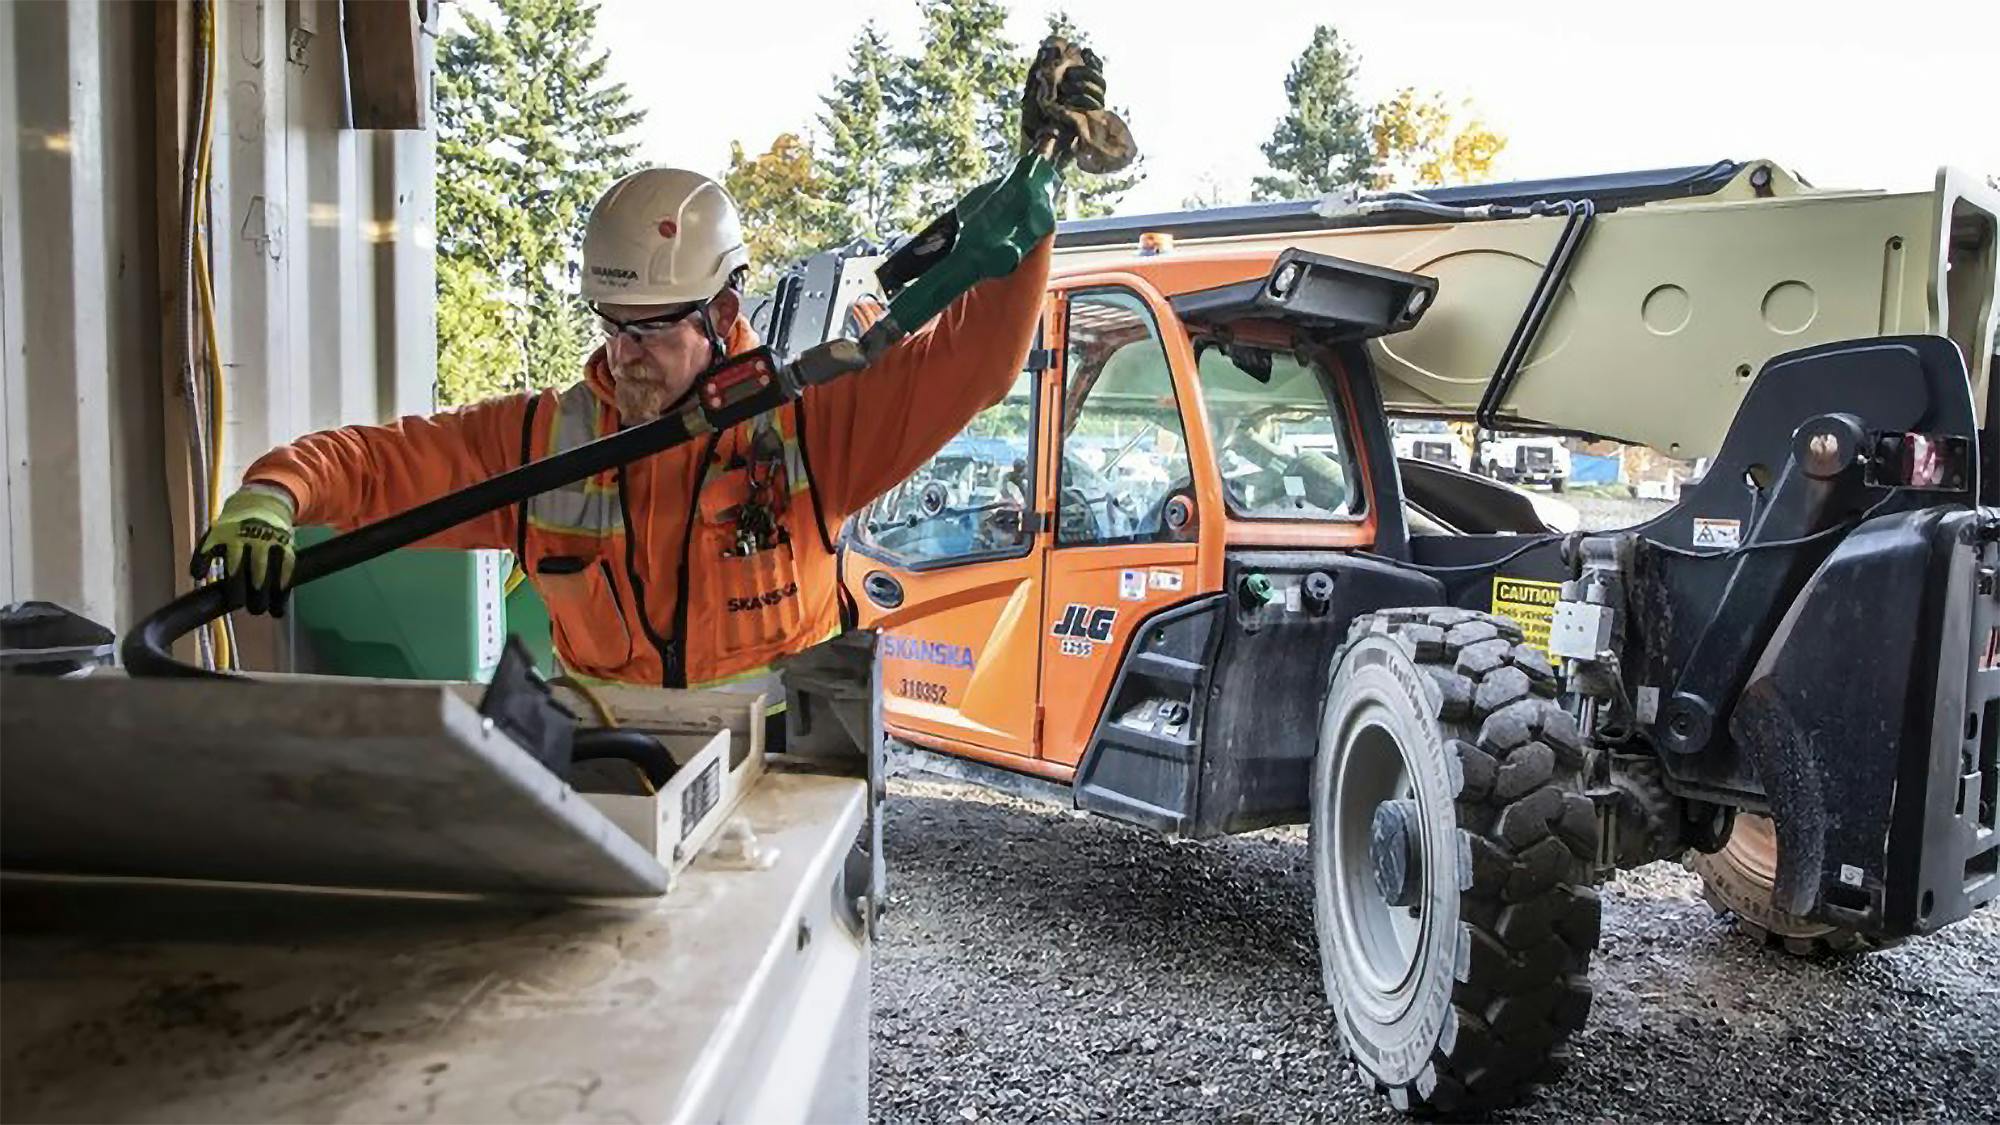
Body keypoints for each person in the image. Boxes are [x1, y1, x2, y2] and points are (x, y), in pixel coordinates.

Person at [191, 57, 1107, 690]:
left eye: (652, 331)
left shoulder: (810, 427)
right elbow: (381, 465)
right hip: (618, 770)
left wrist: (1030, 226)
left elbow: (975, 363)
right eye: (612, 328)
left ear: (720, 315)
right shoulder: (545, 442)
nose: (623, 355)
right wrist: (272, 496)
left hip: (782, 778)